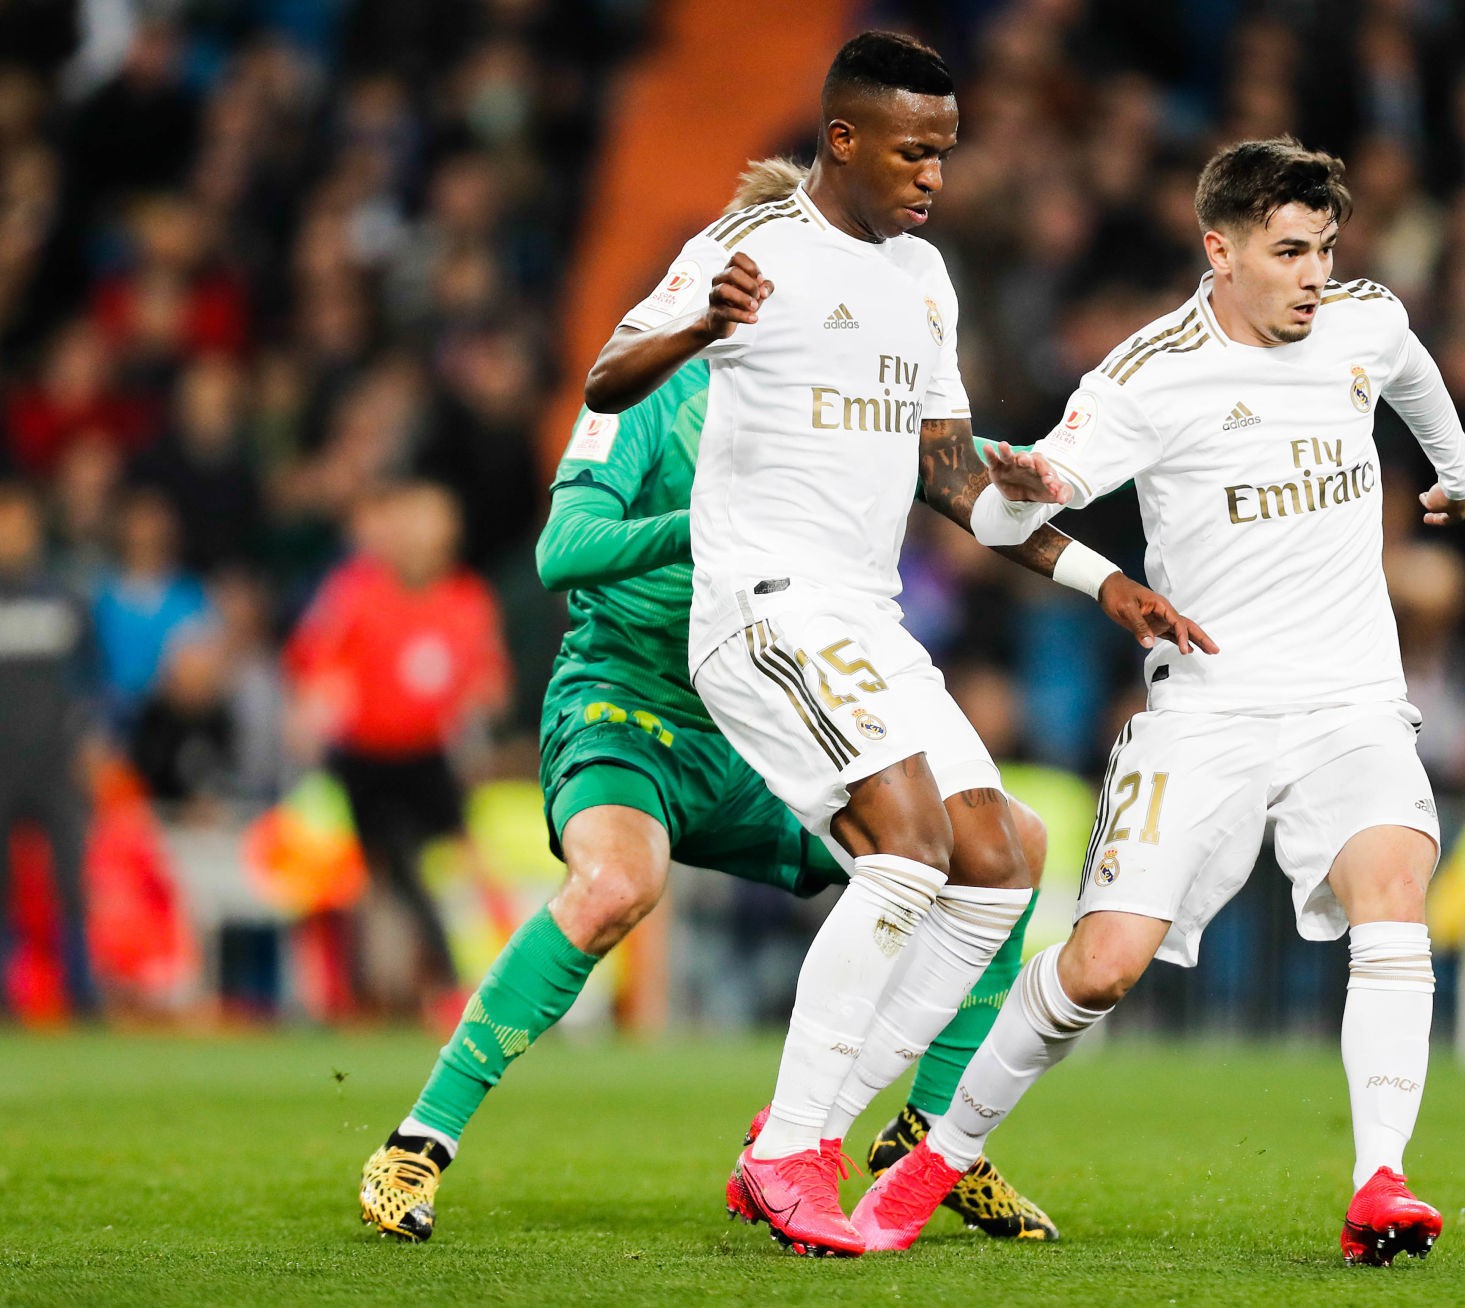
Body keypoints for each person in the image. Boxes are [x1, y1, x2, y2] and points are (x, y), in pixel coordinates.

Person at [357, 157, 1065, 1248]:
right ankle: (418, 1143)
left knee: (1000, 849)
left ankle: (918, 1135)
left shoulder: (839, 392)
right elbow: (563, 549)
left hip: (763, 722)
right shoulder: (648, 391)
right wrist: (720, 527)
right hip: (630, 700)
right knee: (612, 884)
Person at [580, 32, 1208, 1259]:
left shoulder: (924, 279)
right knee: (908, 849)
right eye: (915, 151)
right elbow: (607, 380)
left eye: (946, 152)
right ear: (845, 139)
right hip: (765, 606)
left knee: (1000, 856)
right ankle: (788, 1154)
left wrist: (1098, 575)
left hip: (864, 617)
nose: (933, 174)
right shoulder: (744, 252)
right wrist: (699, 328)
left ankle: (801, 1127)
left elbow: (949, 478)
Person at [855, 138, 1465, 1265]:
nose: (1313, 275)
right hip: (1206, 712)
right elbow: (1019, 506)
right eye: (1289, 252)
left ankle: (1377, 1183)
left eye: (1325, 249)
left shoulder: (1362, 318)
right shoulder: (1147, 376)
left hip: (1348, 702)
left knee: (1394, 886)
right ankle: (934, 1158)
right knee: (1101, 965)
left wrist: (1457, 467)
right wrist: (1025, 485)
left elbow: (1410, 371)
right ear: (1219, 249)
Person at [285, 482, 510, 1015]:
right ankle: (371, 992)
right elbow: (314, 659)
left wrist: (476, 714)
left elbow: (489, 684)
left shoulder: (466, 600)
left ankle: (474, 982)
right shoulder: (355, 592)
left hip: (430, 759)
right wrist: (314, 704)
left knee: (453, 869)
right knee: (376, 874)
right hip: (364, 760)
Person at [0, 483, 101, 1019]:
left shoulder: (63, 598)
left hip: (56, 762)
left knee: (71, 878)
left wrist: (90, 740)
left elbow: (92, 678)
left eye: (19, 525)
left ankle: (81, 991)